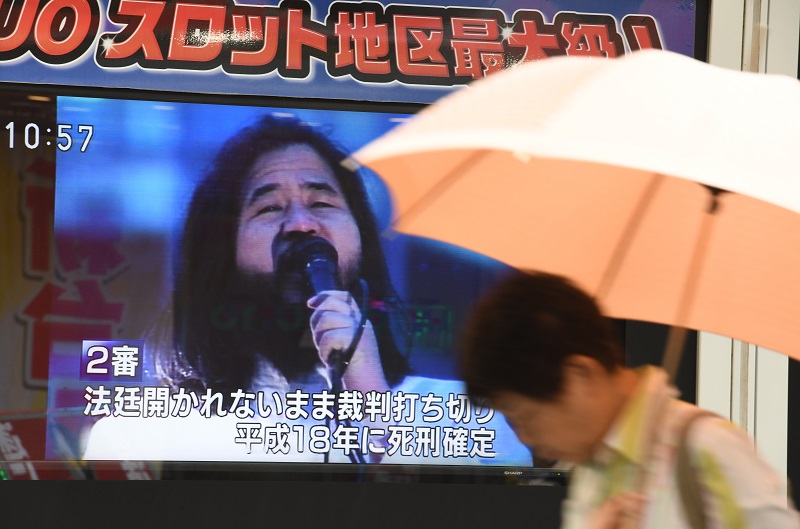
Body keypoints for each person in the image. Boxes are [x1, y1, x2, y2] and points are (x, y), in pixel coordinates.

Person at [82, 115, 531, 466]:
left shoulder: (463, 417)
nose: (301, 223)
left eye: (322, 203)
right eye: (270, 207)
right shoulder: (143, 435)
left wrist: (372, 400)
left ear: (361, 237)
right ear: (220, 256)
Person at [460, 271, 799, 528]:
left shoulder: (706, 449)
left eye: (526, 417)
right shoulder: (591, 470)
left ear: (580, 374)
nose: (527, 439)